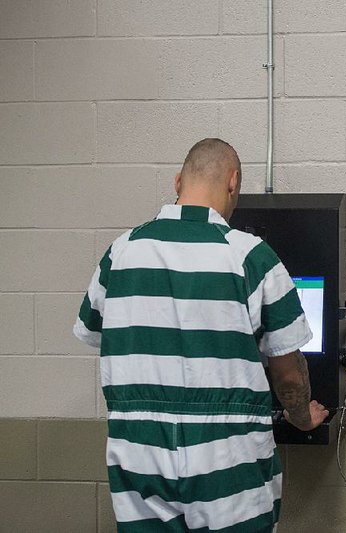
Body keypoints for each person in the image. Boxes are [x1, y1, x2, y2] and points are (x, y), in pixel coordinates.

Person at [74, 138, 328, 532]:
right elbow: (289, 373)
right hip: (228, 456)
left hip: (139, 452)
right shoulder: (251, 257)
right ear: (233, 182)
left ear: (178, 182)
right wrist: (301, 416)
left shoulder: (119, 254)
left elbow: (96, 334)